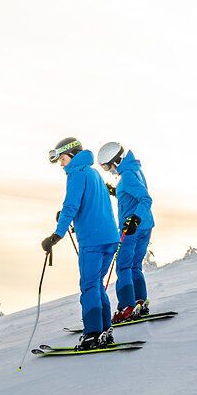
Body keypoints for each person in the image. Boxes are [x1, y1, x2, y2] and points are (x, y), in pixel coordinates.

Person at [41, 136, 121, 348]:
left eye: (63, 159)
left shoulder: (76, 174)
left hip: (93, 241)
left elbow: (71, 205)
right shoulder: (93, 173)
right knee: (96, 284)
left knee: (89, 285)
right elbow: (92, 204)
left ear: (72, 155)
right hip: (109, 237)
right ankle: (104, 331)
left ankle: (93, 333)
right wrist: (70, 217)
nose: (61, 164)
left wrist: (55, 236)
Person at [98, 141, 155, 322]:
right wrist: (114, 191)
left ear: (115, 161)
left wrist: (134, 219)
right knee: (135, 266)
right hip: (145, 226)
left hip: (132, 229)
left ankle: (126, 308)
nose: (108, 170)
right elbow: (132, 195)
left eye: (107, 166)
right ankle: (139, 302)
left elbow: (145, 198)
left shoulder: (128, 176)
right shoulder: (133, 170)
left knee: (123, 267)